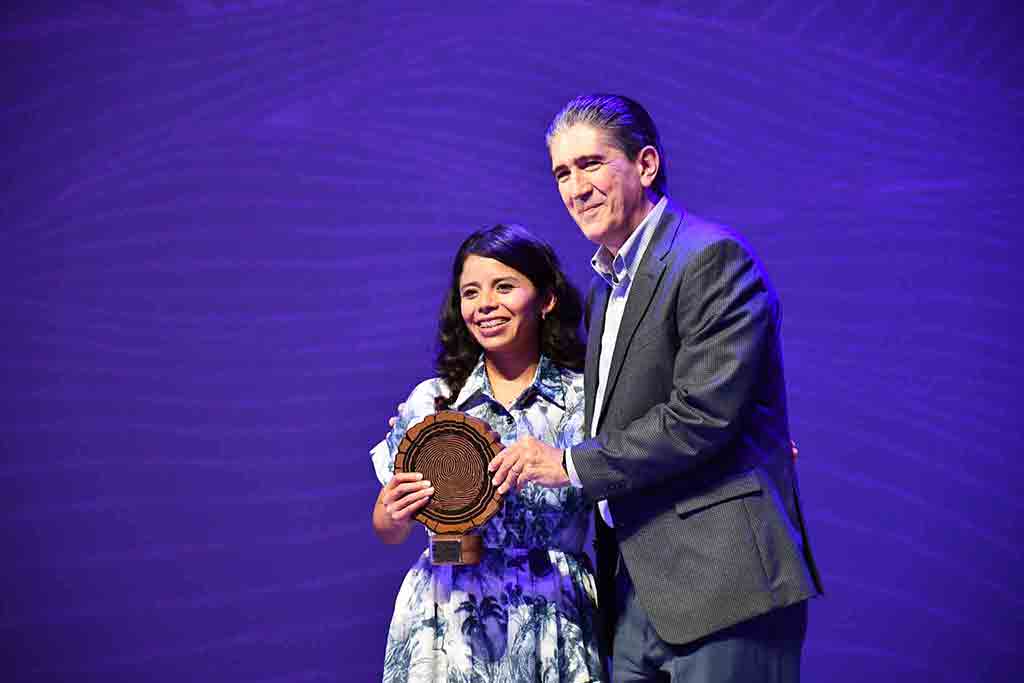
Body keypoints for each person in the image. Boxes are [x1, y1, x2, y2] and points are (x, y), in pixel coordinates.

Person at [491, 94, 824, 682]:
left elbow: (701, 415)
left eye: (591, 164)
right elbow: (614, 419)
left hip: (724, 585)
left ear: (645, 165)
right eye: (562, 173)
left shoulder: (709, 257)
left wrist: (568, 463)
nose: (575, 187)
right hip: (637, 590)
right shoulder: (604, 289)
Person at [370, 224, 606, 682]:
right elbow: (386, 527)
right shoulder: (433, 401)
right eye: (470, 292)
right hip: (444, 619)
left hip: (552, 616)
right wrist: (395, 514)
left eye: (505, 287)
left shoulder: (588, 401)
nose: (485, 305)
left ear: (546, 299)